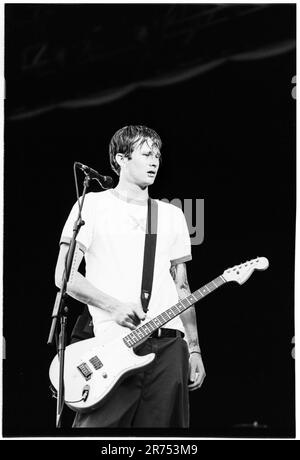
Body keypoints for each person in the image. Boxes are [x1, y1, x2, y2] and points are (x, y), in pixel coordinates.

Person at [55, 125, 205, 428]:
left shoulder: (170, 214)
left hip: (169, 346)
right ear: (121, 158)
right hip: (113, 344)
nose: (155, 161)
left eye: (158, 155)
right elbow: (65, 275)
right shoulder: (93, 205)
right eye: (146, 154)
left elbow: (182, 285)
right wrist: (114, 306)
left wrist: (194, 347)